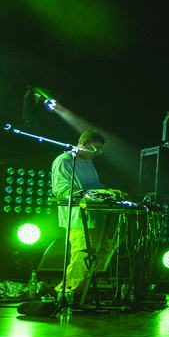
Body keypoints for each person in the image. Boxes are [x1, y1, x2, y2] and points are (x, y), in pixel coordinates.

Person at [50, 130, 119, 303]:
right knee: (83, 253)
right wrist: (94, 193)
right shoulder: (64, 161)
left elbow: (94, 186)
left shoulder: (88, 163)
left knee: (101, 252)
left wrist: (108, 192)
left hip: (94, 216)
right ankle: (67, 291)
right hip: (77, 217)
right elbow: (61, 189)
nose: (98, 154)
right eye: (96, 149)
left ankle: (81, 290)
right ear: (84, 144)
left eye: (100, 150)